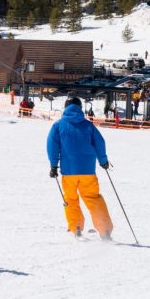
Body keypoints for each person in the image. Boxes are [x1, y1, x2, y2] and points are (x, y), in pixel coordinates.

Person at [47, 97, 113, 240]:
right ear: (79, 107)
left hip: (68, 171)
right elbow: (99, 143)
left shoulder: (58, 126)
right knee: (93, 198)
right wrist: (103, 161)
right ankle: (105, 230)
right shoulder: (88, 126)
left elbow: (52, 146)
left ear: (65, 108)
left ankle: (76, 227)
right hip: (88, 170)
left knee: (70, 199)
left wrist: (53, 166)